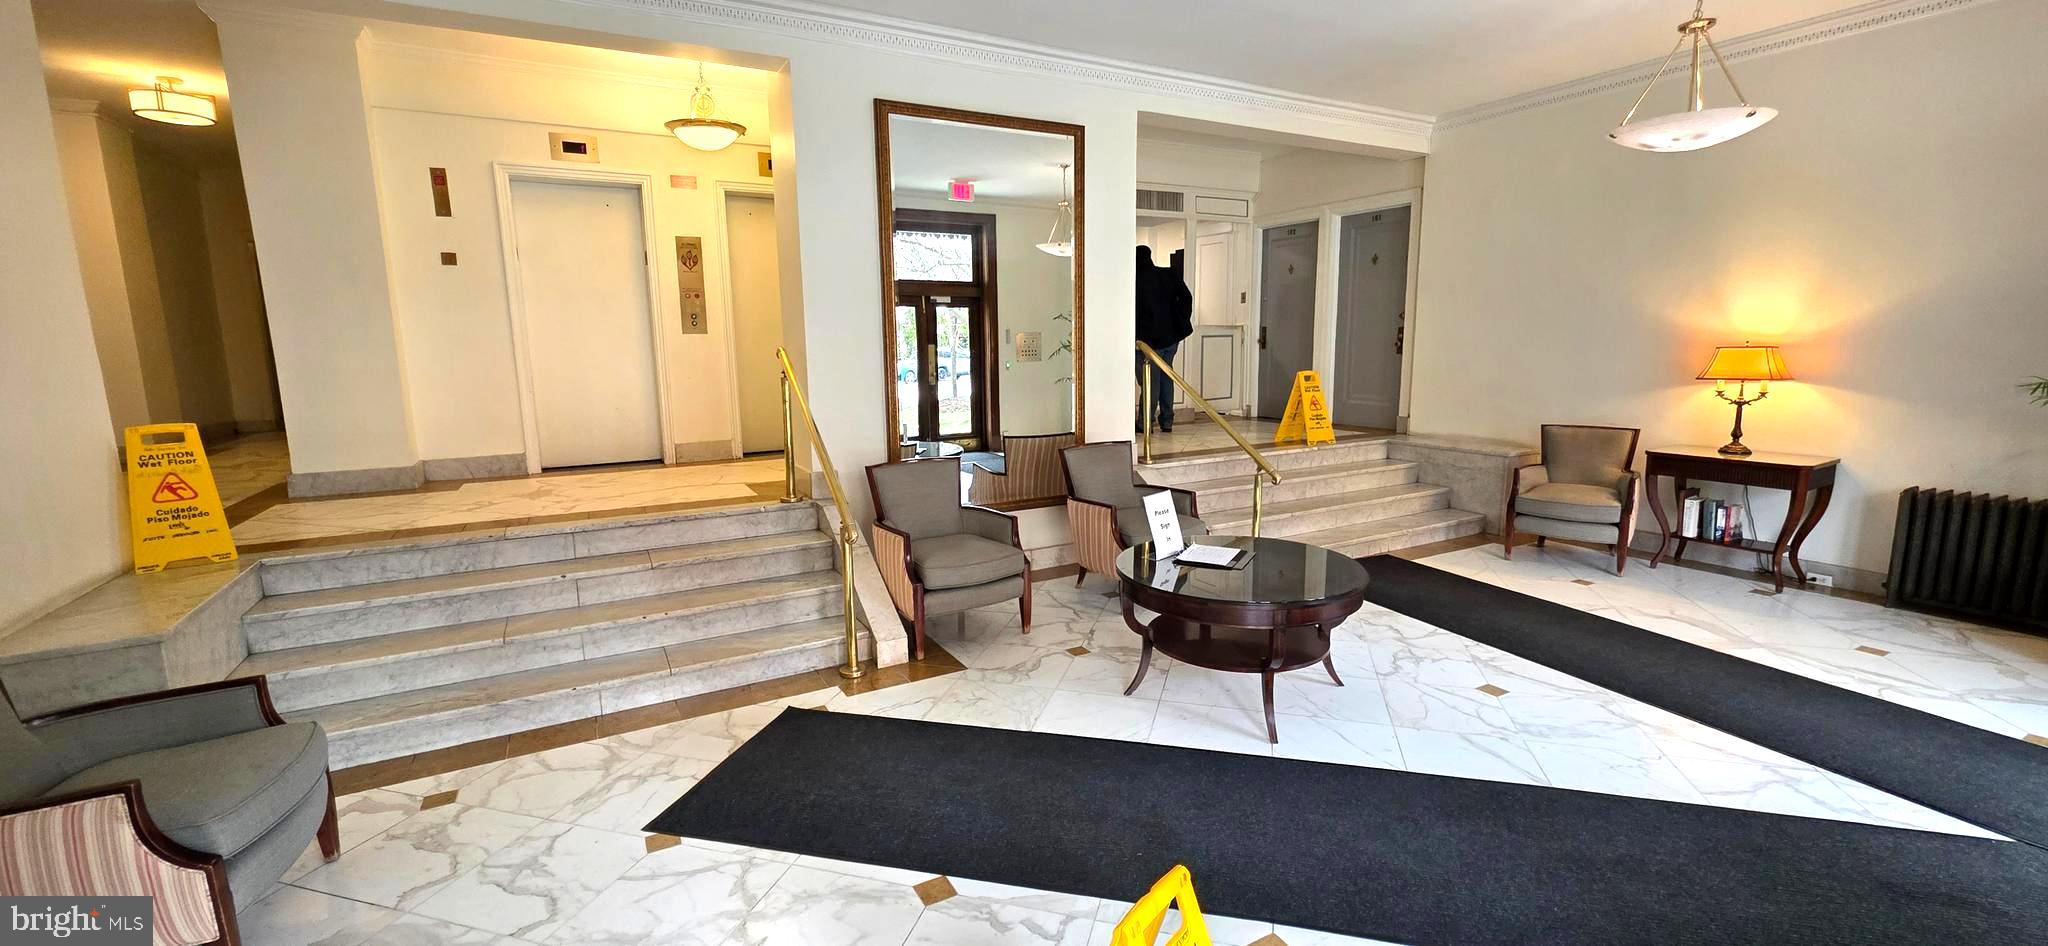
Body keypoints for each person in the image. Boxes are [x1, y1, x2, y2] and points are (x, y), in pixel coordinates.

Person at [1134, 245, 1194, 432]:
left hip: (1147, 342)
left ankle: (1146, 422)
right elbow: (1186, 298)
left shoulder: (1135, 279)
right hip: (1171, 338)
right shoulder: (1168, 274)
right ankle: (1167, 420)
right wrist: (1179, 321)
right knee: (1166, 377)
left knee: (1150, 380)